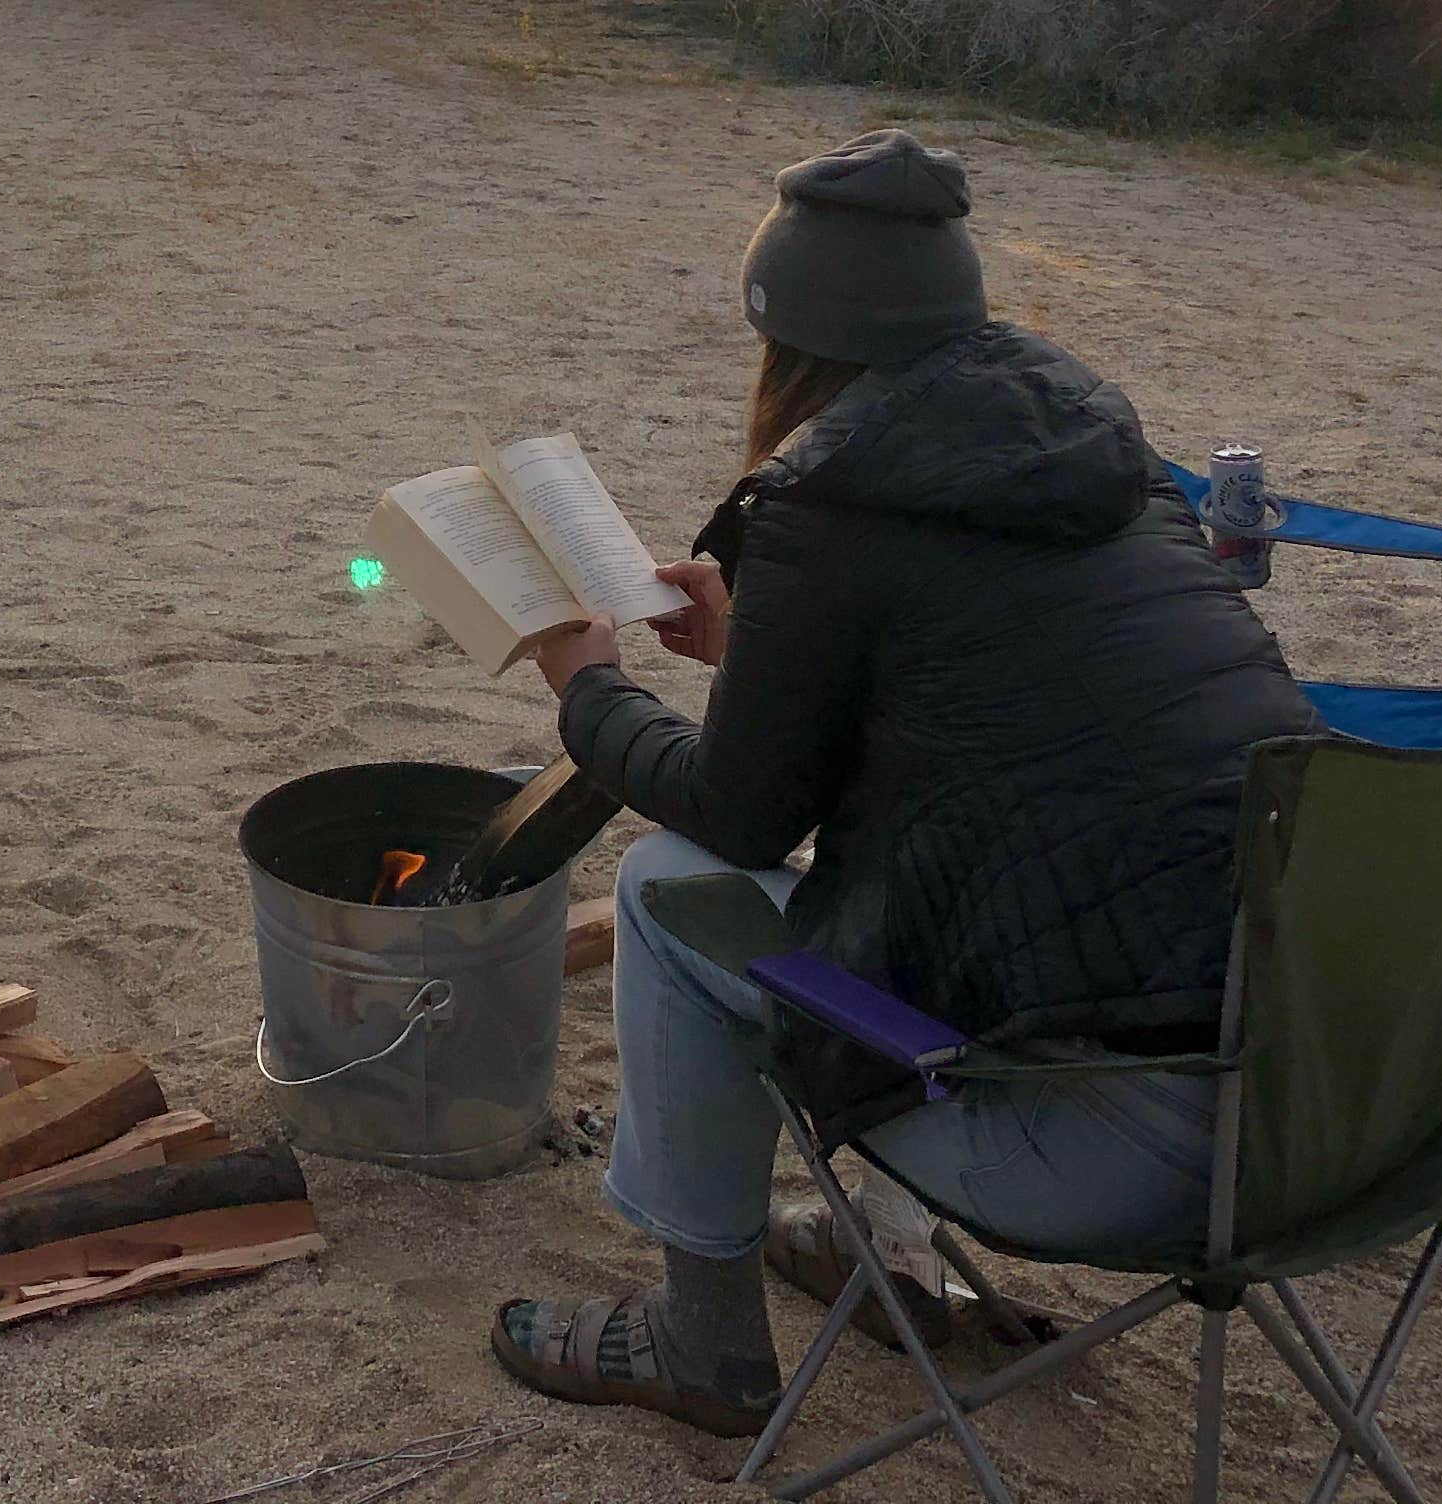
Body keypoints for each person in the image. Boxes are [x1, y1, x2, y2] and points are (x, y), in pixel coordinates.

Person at [490, 129, 1319, 1437]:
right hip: (1331, 1101)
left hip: (1114, 1150)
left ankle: (703, 1344)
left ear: (791, 345)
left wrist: (589, 689)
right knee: (933, 874)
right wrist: (761, 641)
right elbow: (981, 717)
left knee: (666, 891)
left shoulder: (832, 499)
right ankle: (875, 1249)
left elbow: (742, 817)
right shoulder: (1097, 455)